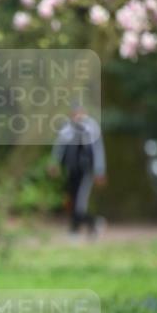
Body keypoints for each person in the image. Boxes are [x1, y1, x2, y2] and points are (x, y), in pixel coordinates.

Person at [48, 101, 106, 236]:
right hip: (72, 170)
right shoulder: (67, 128)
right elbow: (59, 146)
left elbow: (98, 150)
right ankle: (92, 223)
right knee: (72, 200)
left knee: (80, 202)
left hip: (86, 171)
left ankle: (75, 229)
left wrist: (99, 171)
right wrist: (54, 163)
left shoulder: (91, 128)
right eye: (74, 113)